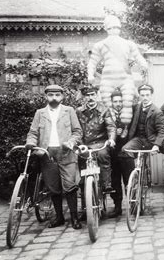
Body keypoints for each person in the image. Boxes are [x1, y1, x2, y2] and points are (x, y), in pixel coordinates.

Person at [25, 85, 83, 229]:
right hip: (47, 154)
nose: (54, 98)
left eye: (57, 95)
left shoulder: (69, 111)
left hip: (66, 152)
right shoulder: (40, 113)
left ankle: (75, 218)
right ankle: (59, 218)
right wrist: (31, 143)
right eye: (51, 95)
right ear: (46, 96)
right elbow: (33, 133)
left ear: (62, 97)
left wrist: (71, 142)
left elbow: (77, 131)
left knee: (70, 186)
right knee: (53, 187)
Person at [87, 15, 148, 138]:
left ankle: (125, 128)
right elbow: (92, 62)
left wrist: (144, 65)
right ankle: (112, 131)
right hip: (108, 78)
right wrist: (90, 74)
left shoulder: (128, 44)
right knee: (107, 106)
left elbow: (138, 57)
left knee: (127, 104)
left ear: (120, 29)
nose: (114, 30)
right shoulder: (100, 45)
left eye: (116, 28)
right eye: (111, 28)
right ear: (107, 29)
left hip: (125, 77)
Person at [76, 87, 116, 192]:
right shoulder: (79, 111)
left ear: (96, 95)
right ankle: (85, 192)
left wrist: (111, 139)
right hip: (85, 144)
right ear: (84, 97)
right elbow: (76, 129)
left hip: (100, 143)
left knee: (103, 155)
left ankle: (106, 184)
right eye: (87, 95)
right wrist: (79, 143)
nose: (90, 98)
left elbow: (111, 126)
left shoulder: (104, 110)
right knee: (81, 159)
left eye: (92, 95)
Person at [108, 89, 135, 218]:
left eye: (120, 101)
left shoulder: (130, 114)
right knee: (115, 180)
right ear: (112, 103)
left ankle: (133, 204)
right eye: (115, 102)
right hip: (113, 153)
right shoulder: (108, 114)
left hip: (126, 152)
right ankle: (117, 207)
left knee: (129, 179)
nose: (118, 104)